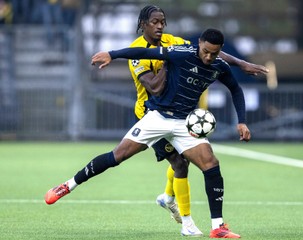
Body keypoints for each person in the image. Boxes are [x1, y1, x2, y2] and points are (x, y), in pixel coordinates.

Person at [45, 28, 251, 238]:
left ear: (220, 51)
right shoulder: (181, 54)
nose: (208, 57)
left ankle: (218, 227)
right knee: (117, 156)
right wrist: (112, 54)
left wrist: (242, 121)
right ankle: (68, 185)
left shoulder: (220, 66)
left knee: (211, 164)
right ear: (199, 43)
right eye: (205, 51)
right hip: (158, 118)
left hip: (184, 124)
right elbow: (143, 53)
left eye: (213, 54)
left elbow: (235, 89)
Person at [126, 5, 267, 236]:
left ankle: (169, 198)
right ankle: (184, 220)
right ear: (143, 24)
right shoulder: (137, 51)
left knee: (185, 161)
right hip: (149, 113)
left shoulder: (173, 41)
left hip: (178, 113)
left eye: (163, 21)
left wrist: (241, 63)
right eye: (155, 22)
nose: (160, 26)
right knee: (180, 163)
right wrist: (168, 62)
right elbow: (153, 86)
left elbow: (207, 51)